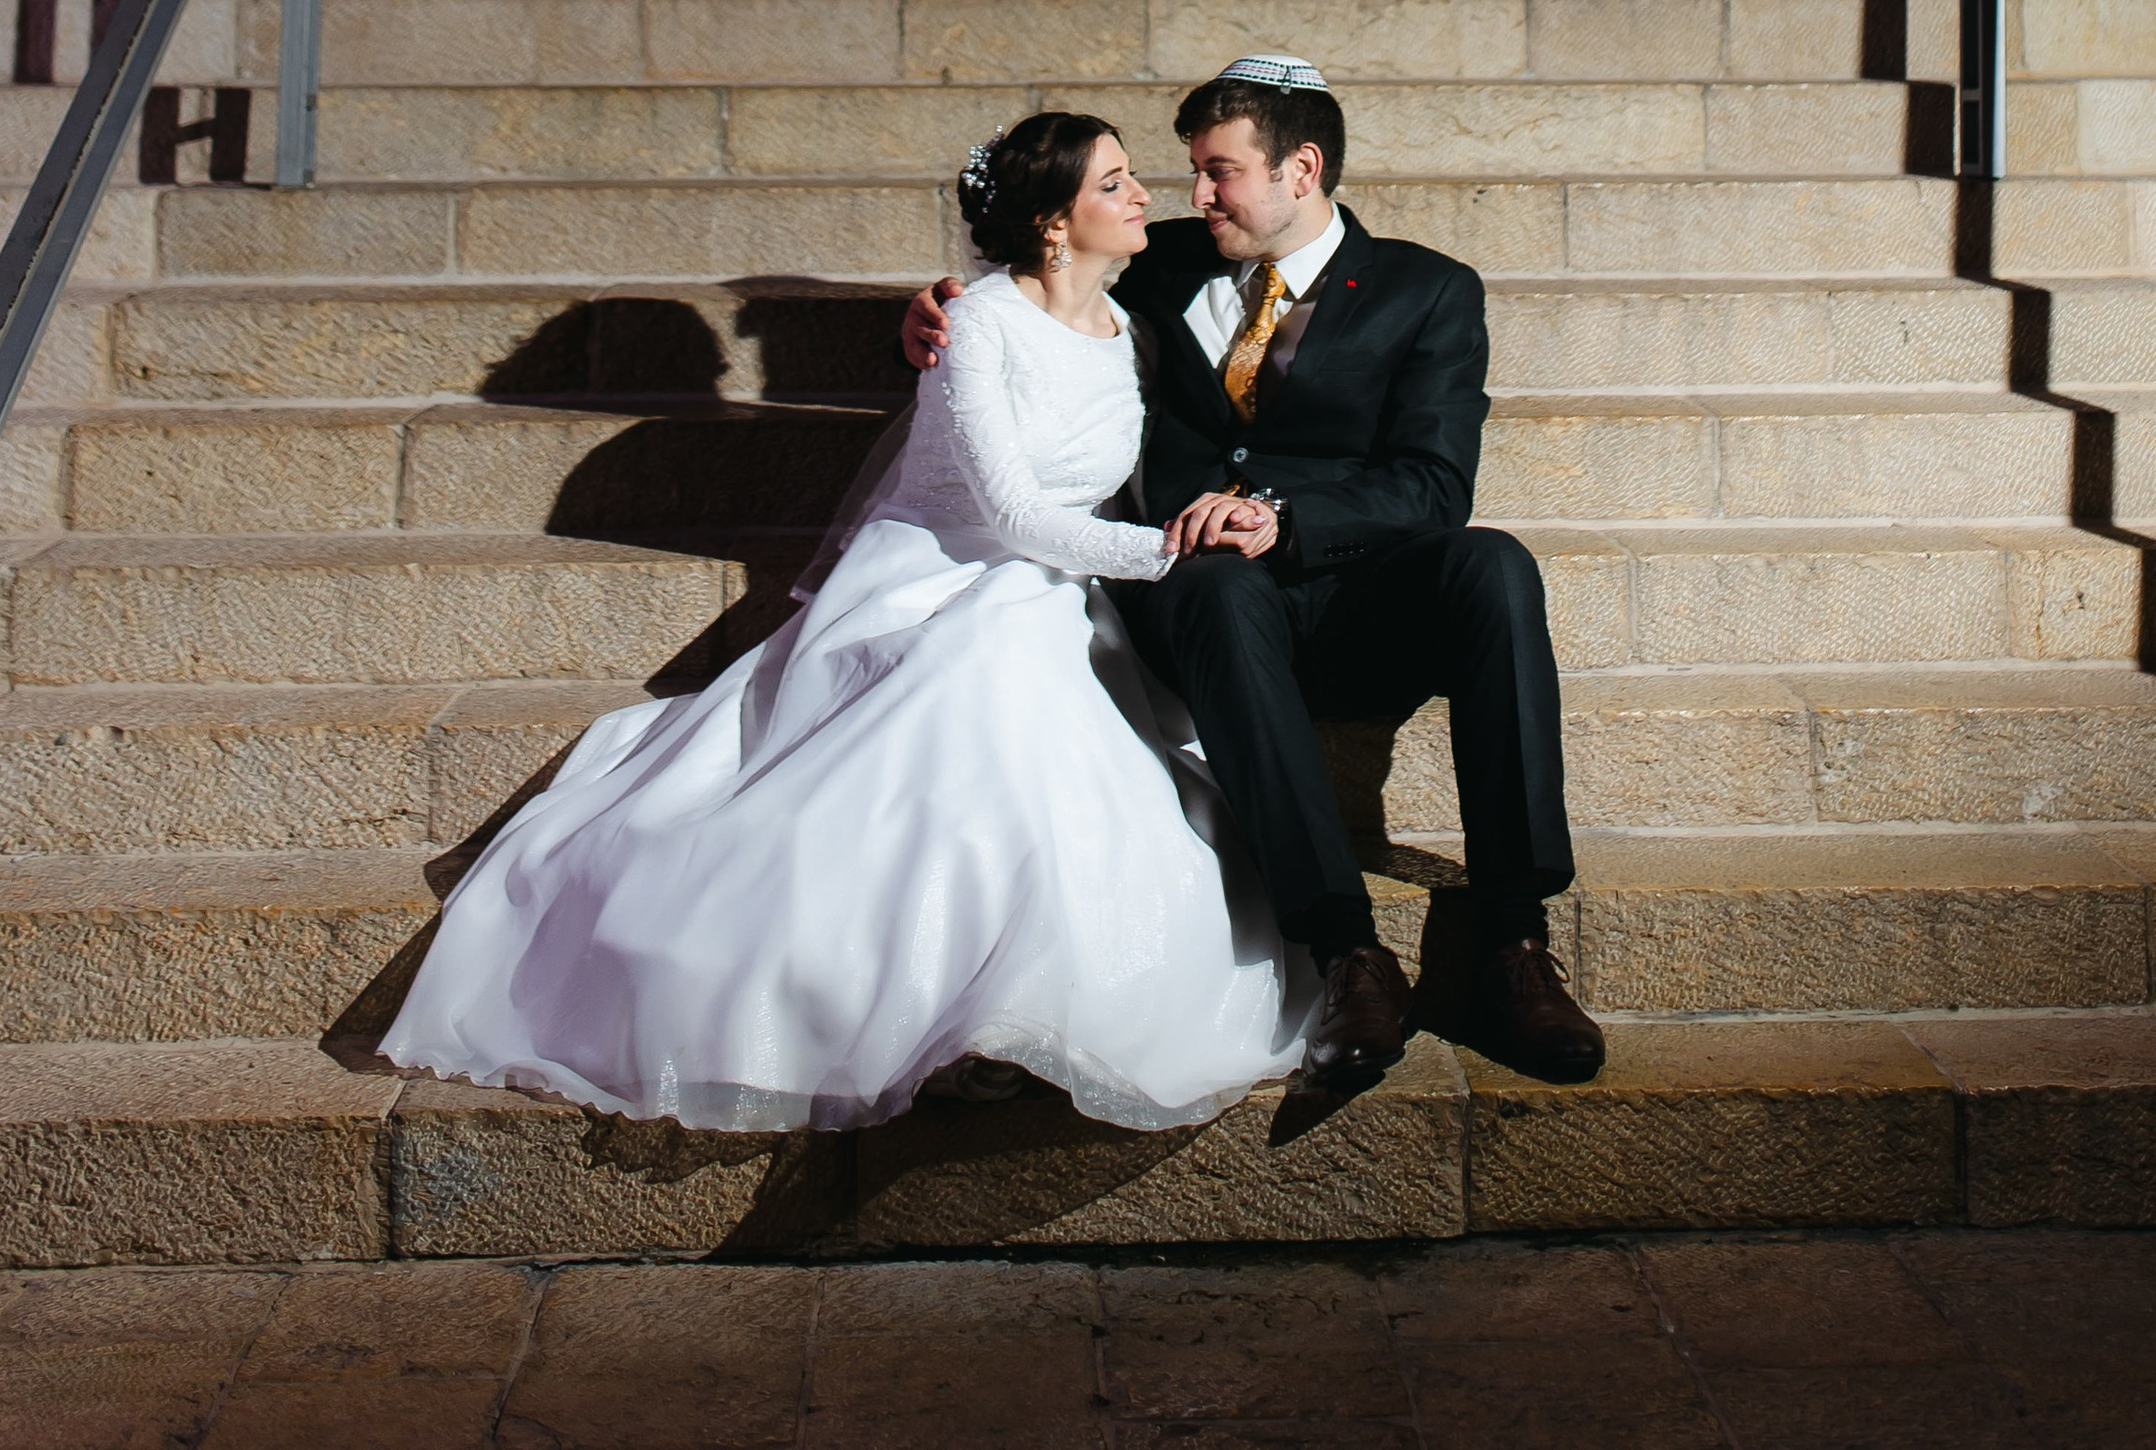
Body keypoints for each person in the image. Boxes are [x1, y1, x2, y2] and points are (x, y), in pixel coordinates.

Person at [380, 112, 1311, 1132]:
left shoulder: (1129, 327)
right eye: (1117, 183)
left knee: (1043, 668)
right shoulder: (979, 328)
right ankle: (961, 1008)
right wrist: (1172, 548)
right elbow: (1006, 514)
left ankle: (1025, 1003)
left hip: (1056, 578)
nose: (1148, 197)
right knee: (989, 660)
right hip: (939, 572)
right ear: (1052, 223)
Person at [904, 55, 1604, 1090]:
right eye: (1189, 172)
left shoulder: (1429, 291)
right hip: (1200, 606)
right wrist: (929, 309)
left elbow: (1431, 486)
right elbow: (1023, 282)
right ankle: (1347, 954)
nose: (1195, 196)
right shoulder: (1162, 257)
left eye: (1219, 172)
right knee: (1219, 586)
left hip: (1350, 595)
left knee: (1493, 566)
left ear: (1300, 168)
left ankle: (1512, 943)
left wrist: (1282, 517)